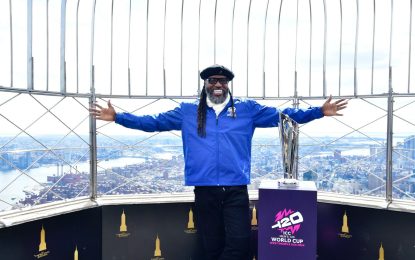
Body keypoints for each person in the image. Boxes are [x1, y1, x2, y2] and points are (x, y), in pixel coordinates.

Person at [90, 64, 347, 260]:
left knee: (238, 243)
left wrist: (319, 112)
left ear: (228, 85)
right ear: (204, 84)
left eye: (222, 81)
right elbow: (152, 122)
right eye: (212, 80)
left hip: (235, 189)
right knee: (210, 244)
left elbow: (285, 116)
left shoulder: (247, 110)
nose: (217, 84)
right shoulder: (187, 111)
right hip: (204, 190)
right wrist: (118, 117)